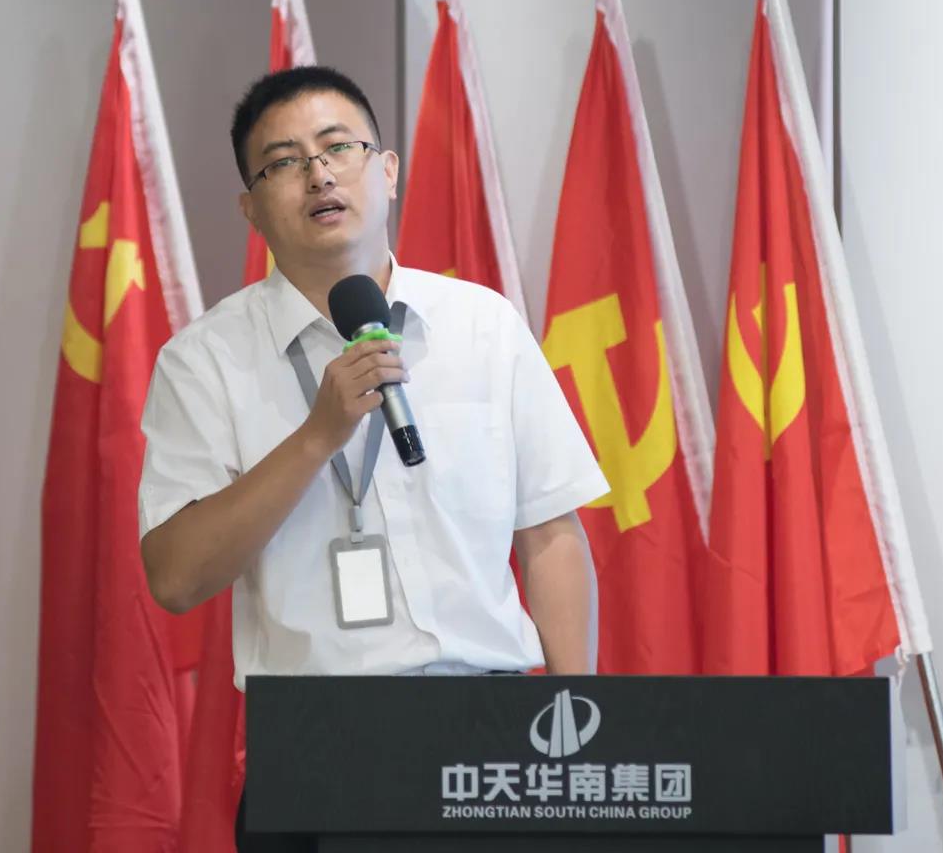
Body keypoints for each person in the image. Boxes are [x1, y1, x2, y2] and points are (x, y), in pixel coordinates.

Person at [138, 66, 606, 851]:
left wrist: (578, 733)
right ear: (252, 209)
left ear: (387, 171)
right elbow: (176, 577)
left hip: (493, 733)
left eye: (338, 148)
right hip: (317, 748)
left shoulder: (482, 327)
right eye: (284, 161)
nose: (319, 174)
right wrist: (317, 435)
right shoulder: (204, 361)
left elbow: (550, 535)